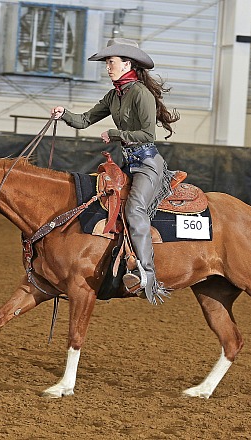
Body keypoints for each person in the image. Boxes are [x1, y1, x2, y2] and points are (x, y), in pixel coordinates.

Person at [51, 38, 179, 305]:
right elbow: (84, 120)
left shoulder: (141, 94)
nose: (108, 67)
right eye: (107, 62)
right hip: (127, 165)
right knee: (101, 203)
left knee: (134, 210)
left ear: (127, 63)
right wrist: (64, 113)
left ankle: (147, 275)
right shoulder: (114, 95)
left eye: (111, 62)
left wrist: (115, 133)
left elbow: (147, 135)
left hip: (146, 164)